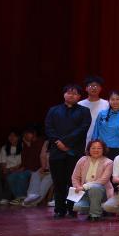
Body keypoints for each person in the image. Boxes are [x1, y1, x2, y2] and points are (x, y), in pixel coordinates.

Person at [46, 84, 91, 218]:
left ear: (79, 96)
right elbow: (49, 128)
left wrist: (65, 143)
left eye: (75, 93)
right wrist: (58, 143)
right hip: (56, 152)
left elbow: (83, 129)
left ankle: (72, 209)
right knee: (58, 182)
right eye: (69, 92)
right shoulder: (53, 110)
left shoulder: (84, 111)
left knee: (73, 182)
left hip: (74, 151)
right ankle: (59, 209)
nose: (71, 95)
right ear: (64, 94)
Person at [69, 139, 113, 221]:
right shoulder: (82, 160)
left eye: (99, 148)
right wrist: (78, 187)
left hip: (102, 192)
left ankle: (95, 215)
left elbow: (102, 181)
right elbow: (75, 177)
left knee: (95, 187)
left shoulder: (109, 162)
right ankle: (97, 209)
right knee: (78, 207)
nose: (96, 150)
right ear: (89, 149)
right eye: (93, 148)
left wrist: (84, 187)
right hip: (84, 192)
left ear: (103, 149)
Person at [92, 91, 119, 159]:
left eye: (117, 99)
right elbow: (96, 131)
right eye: (112, 99)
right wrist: (93, 145)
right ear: (108, 101)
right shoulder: (102, 113)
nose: (115, 102)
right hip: (101, 148)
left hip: (116, 148)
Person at [78, 76, 109, 144]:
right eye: (91, 86)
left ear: (100, 88)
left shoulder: (107, 104)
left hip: (101, 138)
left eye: (96, 86)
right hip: (82, 138)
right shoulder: (80, 104)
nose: (94, 88)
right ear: (86, 88)